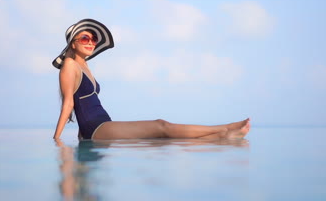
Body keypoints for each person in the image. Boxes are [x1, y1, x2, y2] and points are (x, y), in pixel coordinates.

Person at [53, 19, 250, 140]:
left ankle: (224, 137)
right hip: (96, 128)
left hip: (101, 125)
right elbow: (69, 102)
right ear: (73, 43)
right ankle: (224, 128)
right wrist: (57, 139)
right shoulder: (70, 65)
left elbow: (84, 102)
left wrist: (82, 136)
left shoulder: (85, 66)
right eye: (85, 38)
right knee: (161, 126)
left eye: (94, 39)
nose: (91, 42)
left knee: (163, 139)